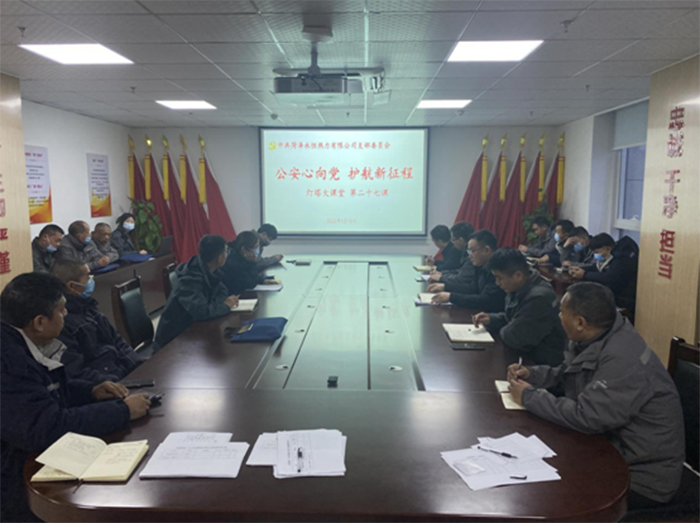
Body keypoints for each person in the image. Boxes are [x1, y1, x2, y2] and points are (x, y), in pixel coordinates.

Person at [506, 282, 684, 508]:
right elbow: (568, 373)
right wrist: (533, 375)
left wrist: (530, 397)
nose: (559, 316)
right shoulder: (598, 334)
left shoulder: (622, 358)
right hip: (606, 449)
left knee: (545, 498)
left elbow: (588, 417)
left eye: (562, 312)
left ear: (580, 322)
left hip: (640, 477)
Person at [0, 273, 151, 523]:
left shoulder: (14, 339)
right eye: (61, 310)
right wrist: (122, 411)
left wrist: (91, 390)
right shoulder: (9, 362)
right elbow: (46, 427)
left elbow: (45, 389)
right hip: (14, 479)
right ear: (40, 322)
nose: (66, 314)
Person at [51, 259, 146, 382]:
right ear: (72, 286)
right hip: (106, 382)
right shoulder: (62, 323)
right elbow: (77, 372)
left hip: (120, 372)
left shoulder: (88, 307)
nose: (91, 280)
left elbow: (117, 342)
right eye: (87, 277)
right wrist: (116, 384)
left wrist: (141, 367)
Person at [473, 248, 566, 366]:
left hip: (541, 364)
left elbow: (515, 337)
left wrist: (507, 327)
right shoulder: (519, 286)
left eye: (499, 278)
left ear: (518, 275)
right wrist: (491, 319)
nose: (497, 283)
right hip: (525, 355)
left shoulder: (539, 297)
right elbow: (514, 318)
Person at [154, 235, 239, 350]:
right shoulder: (190, 279)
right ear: (219, 258)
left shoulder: (210, 270)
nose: (227, 255)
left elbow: (223, 291)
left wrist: (216, 305)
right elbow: (202, 312)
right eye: (226, 252)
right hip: (173, 341)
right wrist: (225, 306)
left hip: (192, 331)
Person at [428, 230, 505, 312]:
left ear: (486, 250)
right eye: (469, 251)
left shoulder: (499, 268)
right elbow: (472, 288)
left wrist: (452, 297)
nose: (470, 256)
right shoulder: (481, 265)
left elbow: (486, 300)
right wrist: (446, 286)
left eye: (473, 251)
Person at [569, 233, 639, 315]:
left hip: (623, 297)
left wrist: (584, 274)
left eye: (596, 252)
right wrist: (580, 270)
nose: (595, 255)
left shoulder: (622, 258)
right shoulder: (611, 255)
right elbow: (597, 267)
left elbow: (609, 277)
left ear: (607, 249)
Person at [220, 230, 279, 295]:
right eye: (256, 247)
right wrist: (252, 263)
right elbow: (250, 283)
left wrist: (262, 280)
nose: (257, 250)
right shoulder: (233, 261)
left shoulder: (241, 256)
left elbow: (250, 276)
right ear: (244, 249)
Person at [428, 221, 476, 294]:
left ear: (461, 240)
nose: (452, 242)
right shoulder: (465, 252)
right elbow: (460, 271)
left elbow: (461, 279)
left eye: (453, 240)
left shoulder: (470, 255)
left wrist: (442, 278)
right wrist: (442, 274)